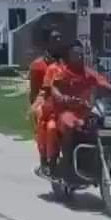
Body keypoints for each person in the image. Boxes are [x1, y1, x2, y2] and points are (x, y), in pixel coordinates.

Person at [41, 41, 111, 175]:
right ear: (69, 55)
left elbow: (101, 81)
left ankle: (98, 158)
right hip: (66, 112)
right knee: (70, 125)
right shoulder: (62, 72)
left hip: (85, 111)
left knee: (102, 124)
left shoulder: (88, 72)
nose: (78, 57)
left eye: (80, 54)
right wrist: (62, 97)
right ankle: (67, 161)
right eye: (75, 54)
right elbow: (54, 87)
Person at [28, 28, 66, 177]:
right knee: (46, 127)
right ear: (47, 42)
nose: (58, 41)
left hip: (63, 104)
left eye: (60, 38)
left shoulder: (66, 62)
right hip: (45, 104)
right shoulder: (38, 65)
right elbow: (35, 91)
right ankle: (45, 160)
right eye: (54, 38)